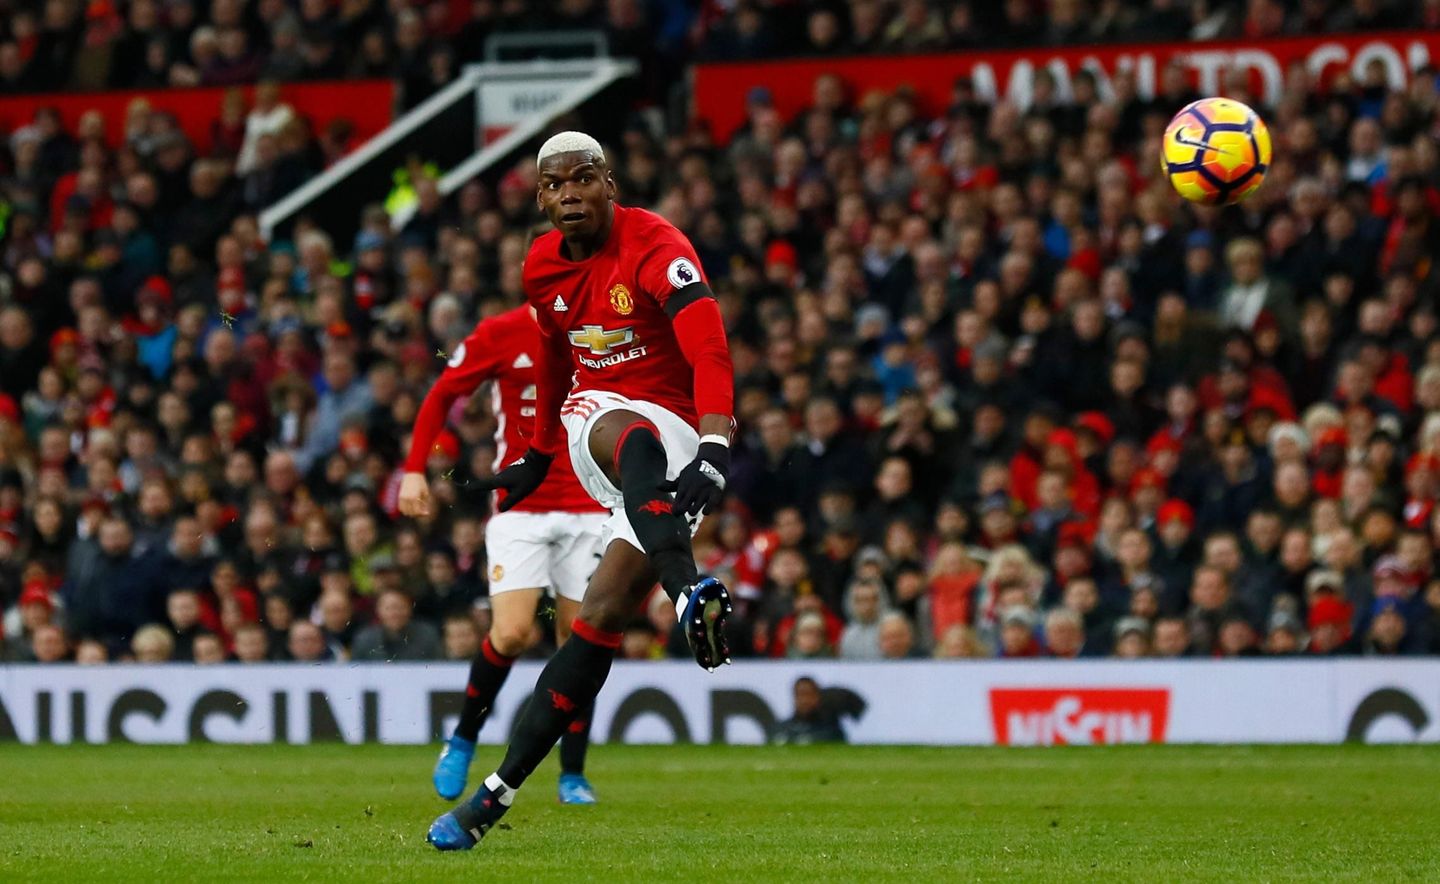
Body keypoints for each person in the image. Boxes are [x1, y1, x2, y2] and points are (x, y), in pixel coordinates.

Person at [428, 131, 735, 850]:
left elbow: (709, 346)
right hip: (598, 416)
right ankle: (687, 593)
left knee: (597, 620)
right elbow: (555, 354)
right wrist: (539, 453)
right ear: (541, 197)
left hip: (682, 431)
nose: (570, 193)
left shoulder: (658, 247)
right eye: (555, 183)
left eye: (583, 179)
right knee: (631, 435)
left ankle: (492, 798)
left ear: (609, 185)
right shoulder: (541, 265)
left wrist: (716, 444)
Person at [398, 301, 609, 806]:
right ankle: (463, 739)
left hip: (590, 505)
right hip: (520, 508)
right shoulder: (500, 333)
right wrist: (414, 468)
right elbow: (443, 393)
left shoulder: (602, 327)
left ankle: (572, 773)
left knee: (580, 643)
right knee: (512, 633)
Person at [769, 676, 847, 745]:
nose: (804, 701)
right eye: (800, 695)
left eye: (809, 695)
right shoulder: (779, 730)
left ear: (818, 697)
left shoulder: (831, 732)